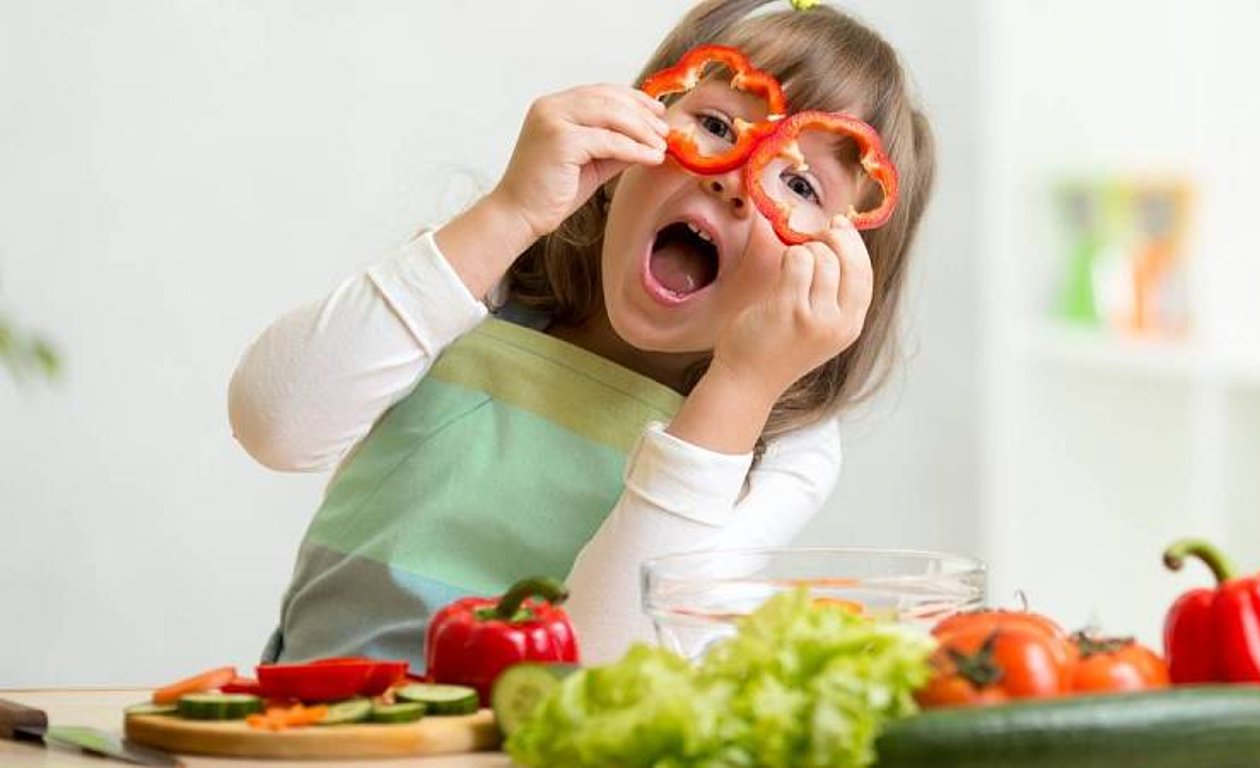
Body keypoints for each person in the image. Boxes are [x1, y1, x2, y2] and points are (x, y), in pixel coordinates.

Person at [228, 0, 936, 668]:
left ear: (841, 275)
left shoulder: (786, 445)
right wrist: (508, 210)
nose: (737, 181)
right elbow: (274, 426)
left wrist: (741, 388)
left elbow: (608, 660)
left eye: (802, 186)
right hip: (311, 733)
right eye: (718, 126)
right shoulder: (486, 281)